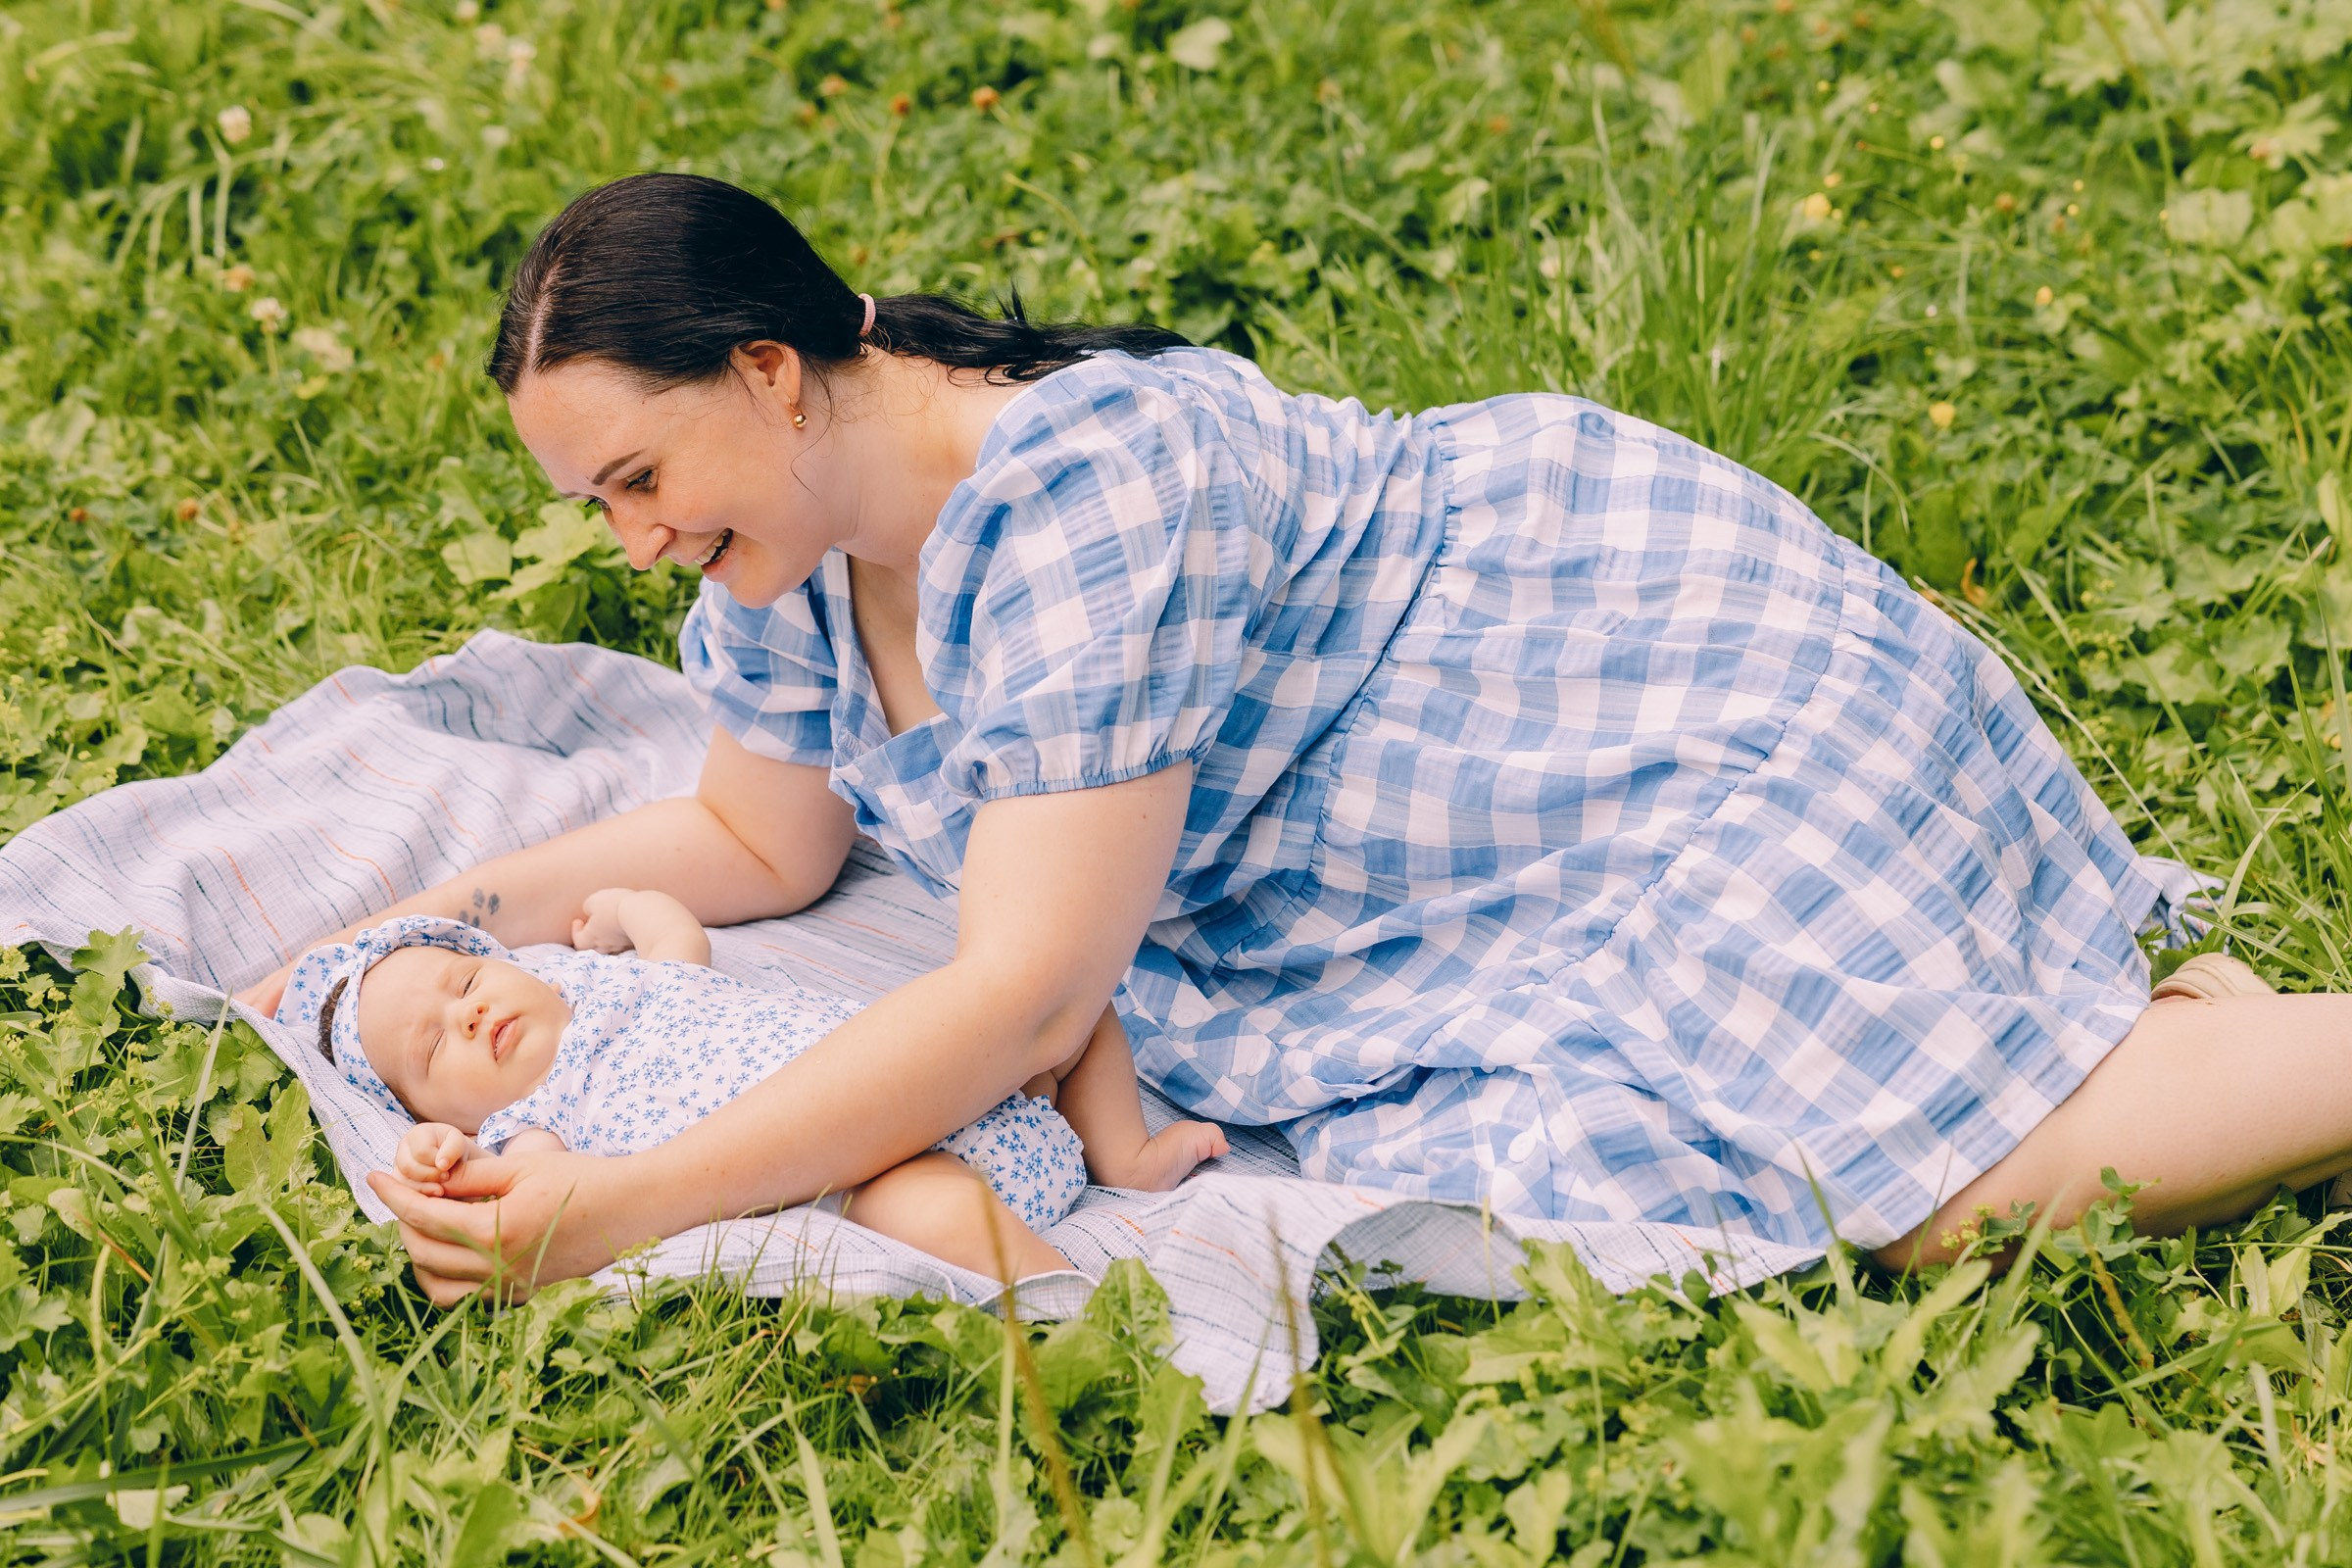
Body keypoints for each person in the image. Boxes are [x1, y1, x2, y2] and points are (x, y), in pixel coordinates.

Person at [241, 171, 2348, 1307]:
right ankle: (2153, 1029)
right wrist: (414, 913)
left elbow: (1021, 990)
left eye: (632, 474)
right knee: (1738, 1139)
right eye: (594, 505)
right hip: (1429, 828)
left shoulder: (1074, 500)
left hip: (1599, 688)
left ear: (772, 368)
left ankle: (2228, 1052)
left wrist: (621, 1199)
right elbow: (757, 839)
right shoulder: (780, 569)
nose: (628, 541)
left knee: (1935, 1189)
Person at [276, 889, 1227, 1280]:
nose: (469, 1015)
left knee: (1065, 999)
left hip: (938, 1070)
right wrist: (439, 1157)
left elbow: (673, 938)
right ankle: (1062, 1295)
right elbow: (522, 1178)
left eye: (466, 981)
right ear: (443, 1110)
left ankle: (1122, 1154)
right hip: (902, 1157)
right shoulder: (534, 1117)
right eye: (434, 1048)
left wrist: (628, 909)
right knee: (911, 1203)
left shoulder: (620, 982)